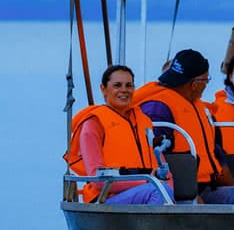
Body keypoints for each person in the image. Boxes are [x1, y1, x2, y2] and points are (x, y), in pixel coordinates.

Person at [138, 49, 234, 204]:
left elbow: (214, 150)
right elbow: (154, 159)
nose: (206, 85)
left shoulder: (197, 107)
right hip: (173, 191)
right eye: (206, 80)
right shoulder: (158, 109)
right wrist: (184, 193)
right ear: (196, 84)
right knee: (194, 204)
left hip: (203, 187)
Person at [64, 65, 173, 204]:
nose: (124, 90)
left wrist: (168, 193)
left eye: (129, 85)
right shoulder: (93, 124)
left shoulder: (144, 122)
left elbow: (163, 166)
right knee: (158, 191)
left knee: (169, 194)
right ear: (103, 89)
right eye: (117, 85)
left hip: (145, 192)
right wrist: (146, 181)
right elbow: (97, 179)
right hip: (106, 199)